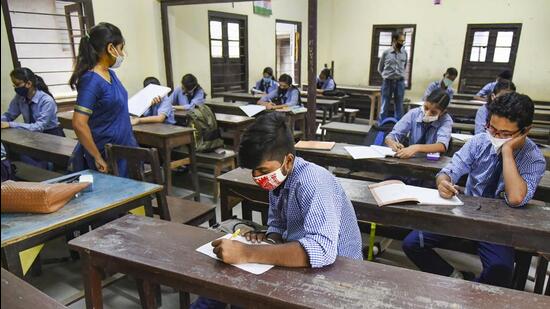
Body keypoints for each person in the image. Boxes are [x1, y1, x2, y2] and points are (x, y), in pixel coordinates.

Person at [191, 112, 363, 309]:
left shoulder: (313, 181)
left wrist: (247, 252)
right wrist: (271, 238)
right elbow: (278, 223)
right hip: (303, 259)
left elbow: (322, 251)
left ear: (288, 161)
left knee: (242, 292)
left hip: (337, 273)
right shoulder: (279, 180)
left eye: (263, 171)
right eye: (254, 172)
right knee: (222, 287)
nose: (258, 178)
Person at [402, 92, 546, 288]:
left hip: (500, 226)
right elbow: (449, 171)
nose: (495, 136)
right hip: (465, 211)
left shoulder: (533, 158)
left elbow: (515, 198)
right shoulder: (479, 141)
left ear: (525, 131)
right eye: (492, 128)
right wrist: (443, 182)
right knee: (412, 243)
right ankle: (456, 279)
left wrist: (507, 152)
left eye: (505, 134)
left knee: (501, 269)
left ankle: (472, 293)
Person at [69, 22, 137, 175]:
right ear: (110, 48)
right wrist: (97, 157)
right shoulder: (91, 80)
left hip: (124, 148)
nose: (122, 53)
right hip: (108, 153)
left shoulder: (110, 74)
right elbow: (79, 124)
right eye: (121, 48)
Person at [385, 89, 453, 159]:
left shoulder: (446, 120)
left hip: (433, 161)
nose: (427, 114)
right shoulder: (414, 113)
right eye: (426, 108)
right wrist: (392, 142)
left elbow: (442, 146)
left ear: (442, 112)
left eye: (433, 112)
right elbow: (391, 136)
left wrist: (417, 148)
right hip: (411, 159)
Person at [2, 68, 64, 136]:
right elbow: (9, 115)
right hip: (31, 133)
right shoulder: (19, 97)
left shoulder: (46, 101)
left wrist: (10, 124)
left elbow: (38, 127)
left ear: (29, 83)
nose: (15, 88)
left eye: (17, 84)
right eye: (14, 85)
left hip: (51, 135)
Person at [378, 31, 408, 120]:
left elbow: (404, 66)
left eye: (403, 41)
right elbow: (380, 68)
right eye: (400, 41)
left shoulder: (405, 53)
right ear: (394, 40)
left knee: (399, 106)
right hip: (387, 82)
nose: (402, 43)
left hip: (400, 82)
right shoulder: (386, 53)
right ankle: (381, 126)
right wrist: (386, 76)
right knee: (384, 105)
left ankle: (398, 128)